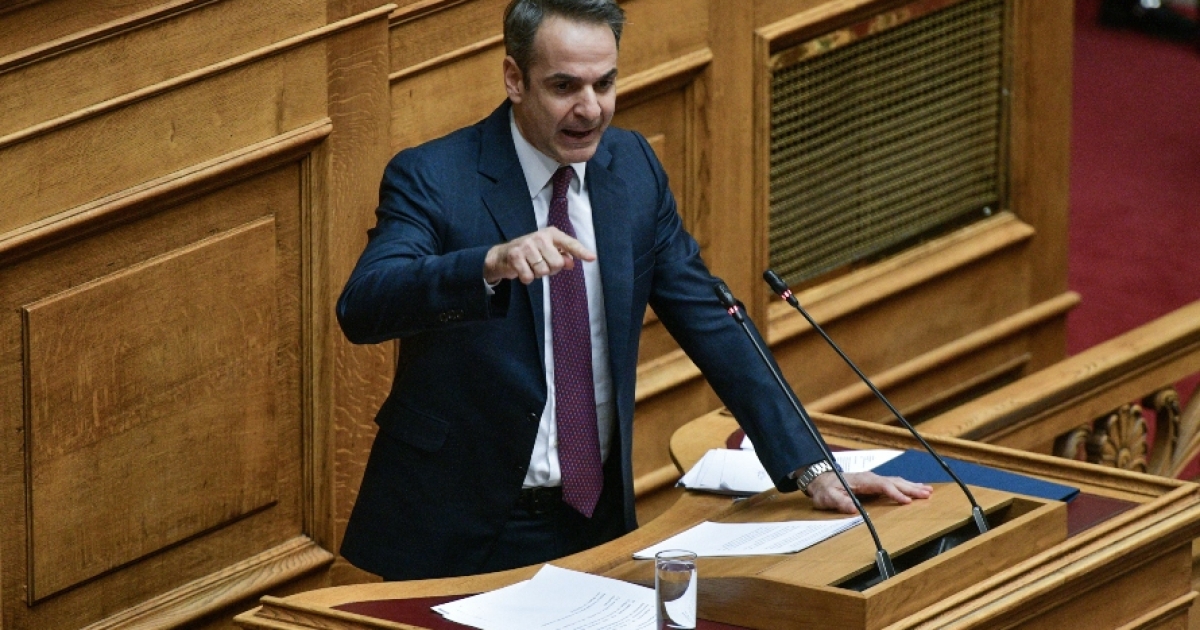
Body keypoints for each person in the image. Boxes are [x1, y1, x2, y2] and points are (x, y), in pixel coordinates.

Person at [336, 0, 932, 582]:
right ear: (515, 79)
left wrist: (811, 465)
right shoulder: (435, 176)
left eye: (605, 84)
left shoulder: (632, 168)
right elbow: (364, 305)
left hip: (595, 518)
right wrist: (487, 264)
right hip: (460, 530)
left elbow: (711, 318)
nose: (590, 109)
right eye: (565, 86)